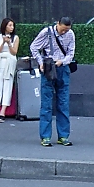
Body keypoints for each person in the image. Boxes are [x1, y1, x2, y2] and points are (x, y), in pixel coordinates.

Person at [30, 17, 76, 147]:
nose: (64, 32)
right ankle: (45, 136)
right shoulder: (46, 32)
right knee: (46, 104)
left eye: (67, 30)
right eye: (63, 29)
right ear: (58, 24)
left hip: (63, 68)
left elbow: (71, 53)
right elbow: (34, 47)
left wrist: (63, 61)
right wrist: (40, 62)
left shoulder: (70, 34)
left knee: (63, 103)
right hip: (48, 68)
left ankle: (63, 136)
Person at [0, 18, 20, 122]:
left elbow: (14, 52)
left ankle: (2, 112)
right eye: (10, 25)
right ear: (5, 26)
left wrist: (9, 43)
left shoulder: (15, 38)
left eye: (13, 26)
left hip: (10, 62)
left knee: (7, 86)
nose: (12, 28)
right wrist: (3, 42)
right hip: (0, 62)